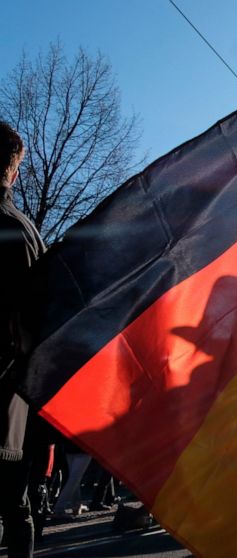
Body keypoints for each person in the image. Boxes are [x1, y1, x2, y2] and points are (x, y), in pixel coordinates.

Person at [1, 121, 45, 558]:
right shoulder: (23, 232)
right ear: (14, 172)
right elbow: (38, 319)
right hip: (8, 400)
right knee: (15, 506)